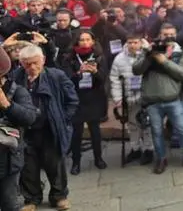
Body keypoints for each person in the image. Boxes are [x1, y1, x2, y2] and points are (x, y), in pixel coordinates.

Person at [132, 24, 183, 174]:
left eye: (172, 34)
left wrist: (163, 61)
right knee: (157, 132)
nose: (169, 37)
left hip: (173, 99)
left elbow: (181, 74)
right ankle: (161, 159)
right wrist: (149, 56)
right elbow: (136, 70)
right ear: (160, 34)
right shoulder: (148, 50)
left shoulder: (181, 53)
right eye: (166, 34)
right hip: (152, 100)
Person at [13, 44, 78, 211]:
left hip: (51, 128)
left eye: (35, 63)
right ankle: (31, 198)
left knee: (55, 164)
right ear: (21, 63)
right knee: (28, 166)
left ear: (43, 60)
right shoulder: (17, 77)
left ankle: (59, 196)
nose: (32, 67)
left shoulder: (56, 76)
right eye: (27, 64)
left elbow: (72, 100)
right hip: (27, 130)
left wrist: (63, 119)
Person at [58, 30, 107, 175]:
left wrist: (95, 72)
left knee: (95, 131)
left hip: (94, 98)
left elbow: (104, 78)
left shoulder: (99, 57)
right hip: (77, 99)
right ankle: (76, 162)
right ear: (76, 42)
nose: (85, 42)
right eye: (82, 40)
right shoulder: (69, 58)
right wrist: (78, 73)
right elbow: (66, 80)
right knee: (76, 133)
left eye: (88, 39)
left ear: (93, 42)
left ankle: (98, 158)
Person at [0, 45, 38, 211]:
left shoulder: (17, 91)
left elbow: (29, 117)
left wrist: (7, 105)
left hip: (8, 161)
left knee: (10, 204)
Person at [110, 33, 154, 165]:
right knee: (132, 125)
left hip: (146, 97)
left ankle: (148, 149)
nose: (132, 45)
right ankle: (135, 148)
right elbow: (114, 79)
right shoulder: (119, 59)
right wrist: (118, 99)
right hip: (128, 97)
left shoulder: (149, 56)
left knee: (147, 125)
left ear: (141, 42)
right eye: (130, 42)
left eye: (135, 42)